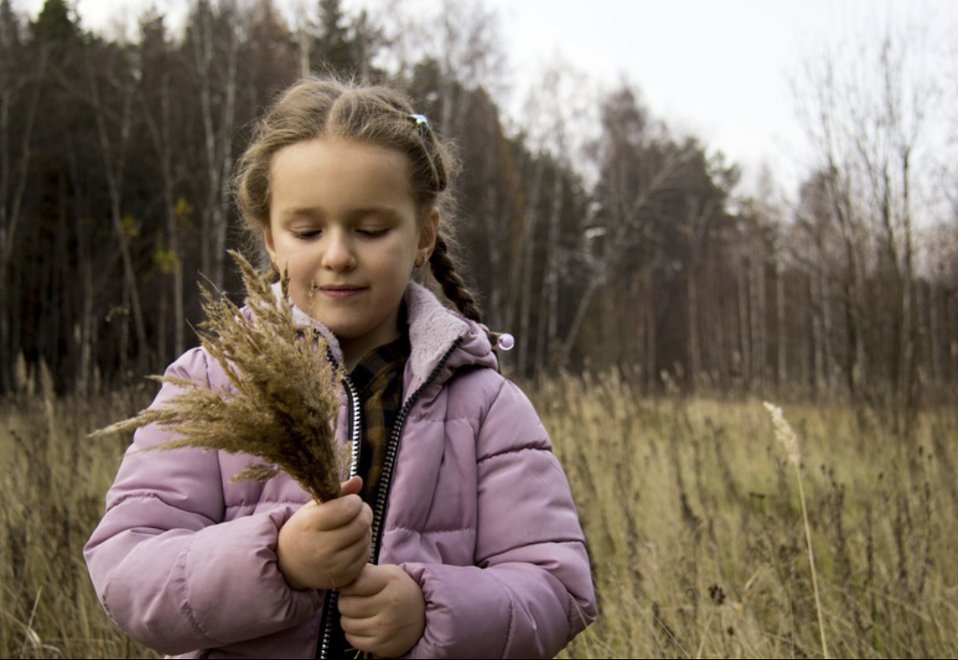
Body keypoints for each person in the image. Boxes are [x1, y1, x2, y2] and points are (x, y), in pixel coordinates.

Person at [83, 75, 597, 659]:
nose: (337, 254)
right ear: (271, 240)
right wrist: (276, 560)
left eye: (371, 229)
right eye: (307, 230)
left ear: (424, 235)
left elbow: (558, 589)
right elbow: (127, 572)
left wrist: (430, 611)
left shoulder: (485, 407)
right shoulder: (210, 384)